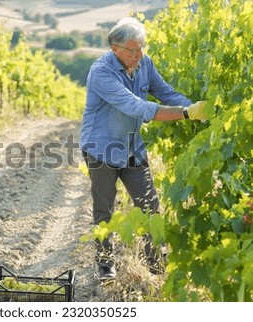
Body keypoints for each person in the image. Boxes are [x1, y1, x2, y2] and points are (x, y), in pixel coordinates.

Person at [79, 17, 207, 279]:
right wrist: (184, 113)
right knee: (104, 209)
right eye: (133, 50)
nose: (139, 55)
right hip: (101, 148)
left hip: (132, 148)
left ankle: (155, 261)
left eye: (141, 48)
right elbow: (136, 106)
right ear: (116, 49)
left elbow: (165, 92)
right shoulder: (101, 72)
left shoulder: (144, 63)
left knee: (150, 205)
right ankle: (106, 265)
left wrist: (196, 108)